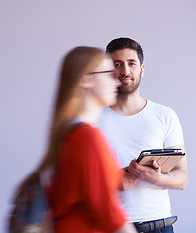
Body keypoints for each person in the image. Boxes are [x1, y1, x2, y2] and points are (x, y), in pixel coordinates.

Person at [34, 46, 137, 233]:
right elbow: (111, 215)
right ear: (86, 79)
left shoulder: (69, 134)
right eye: (109, 73)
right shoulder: (87, 138)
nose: (116, 81)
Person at [98, 38, 189, 233]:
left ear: (142, 69)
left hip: (159, 226)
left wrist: (153, 177)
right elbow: (79, 181)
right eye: (117, 64)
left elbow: (182, 178)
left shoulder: (165, 115)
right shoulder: (93, 119)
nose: (125, 71)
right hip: (110, 227)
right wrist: (113, 181)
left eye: (131, 63)